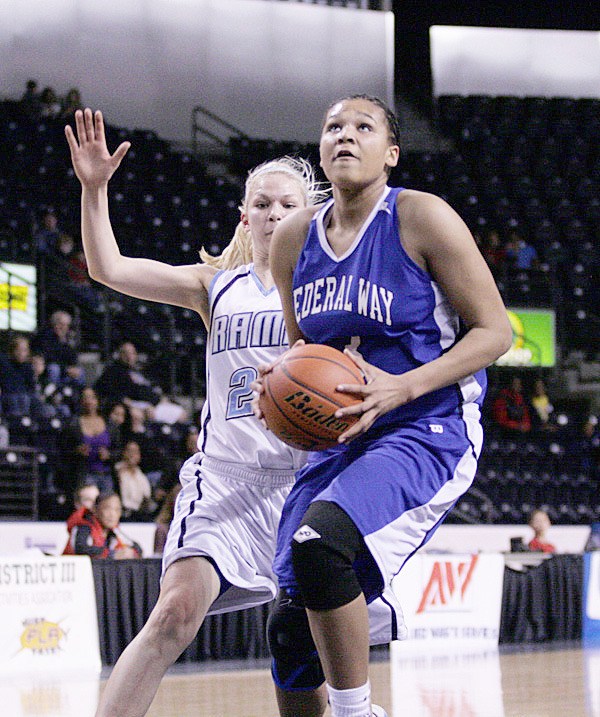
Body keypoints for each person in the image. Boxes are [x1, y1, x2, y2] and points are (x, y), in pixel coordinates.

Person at [64, 106, 330, 717]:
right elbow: (110, 268)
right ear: (244, 216)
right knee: (173, 616)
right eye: (261, 204)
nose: (273, 214)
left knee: (303, 646)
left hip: (304, 486)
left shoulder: (326, 289)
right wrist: (94, 189)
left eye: (287, 205)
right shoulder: (215, 284)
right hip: (225, 483)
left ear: (309, 214)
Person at [253, 94, 512, 717]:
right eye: (332, 127)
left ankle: (356, 712)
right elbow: (303, 349)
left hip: (426, 430)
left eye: (363, 127)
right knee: (289, 625)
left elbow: (496, 332)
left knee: (321, 544)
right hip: (341, 440)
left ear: (390, 153)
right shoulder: (293, 240)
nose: (345, 135)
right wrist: (280, 384)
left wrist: (405, 385)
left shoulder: (422, 218)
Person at [63, 490, 142, 559]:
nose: (112, 514)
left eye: (117, 510)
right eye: (107, 508)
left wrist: (130, 553)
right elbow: (81, 549)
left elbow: (137, 548)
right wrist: (112, 554)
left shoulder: (115, 531)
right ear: (95, 510)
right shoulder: (84, 526)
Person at [94, 341, 161, 413]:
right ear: (120, 355)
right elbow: (108, 391)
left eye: (132, 353)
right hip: (134, 405)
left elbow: (150, 387)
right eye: (126, 353)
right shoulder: (114, 371)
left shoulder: (140, 371)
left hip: (152, 402)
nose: (129, 356)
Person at [114, 439, 156, 520]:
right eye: (130, 451)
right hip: (123, 514)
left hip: (140, 513)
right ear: (123, 453)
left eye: (136, 452)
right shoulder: (116, 471)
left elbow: (147, 496)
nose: (132, 455)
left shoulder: (140, 474)